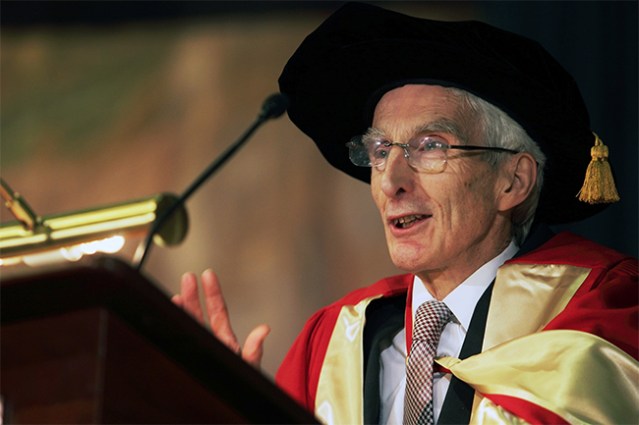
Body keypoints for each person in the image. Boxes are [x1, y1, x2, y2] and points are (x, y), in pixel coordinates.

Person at [173, 3, 638, 424]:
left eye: (430, 146)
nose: (390, 181)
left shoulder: (603, 316)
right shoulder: (332, 341)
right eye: (380, 151)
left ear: (512, 181)